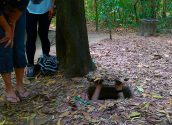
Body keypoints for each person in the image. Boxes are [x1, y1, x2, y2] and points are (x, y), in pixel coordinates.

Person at [0, 0, 29, 103]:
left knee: (19, 46)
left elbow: (21, 6)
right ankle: (9, 89)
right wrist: (7, 29)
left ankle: (19, 85)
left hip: (17, 10)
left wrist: (12, 26)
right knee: (5, 46)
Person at [25, 0, 55, 78]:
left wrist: (52, 5)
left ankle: (45, 62)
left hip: (46, 8)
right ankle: (30, 65)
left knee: (44, 35)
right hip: (29, 9)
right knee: (31, 36)